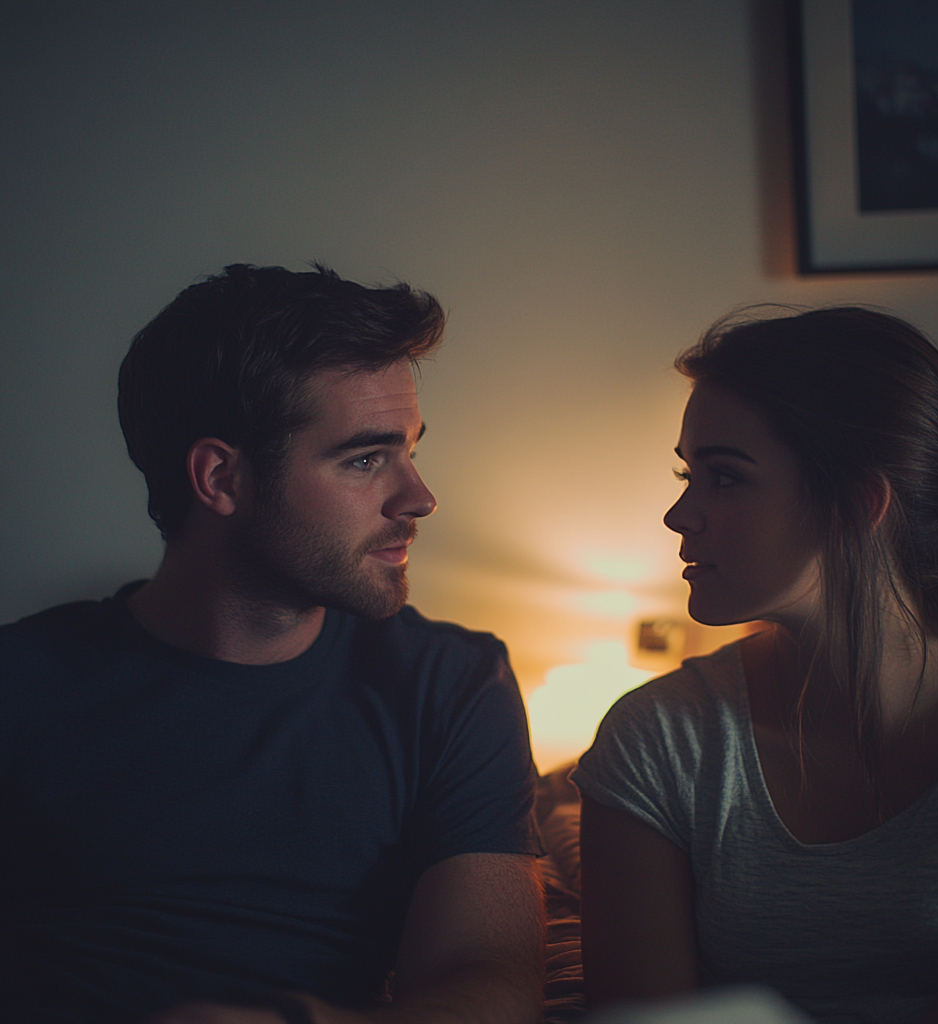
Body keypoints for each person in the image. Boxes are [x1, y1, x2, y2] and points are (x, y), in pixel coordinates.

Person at [0, 264, 545, 1024]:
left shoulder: (452, 683)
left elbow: (491, 984)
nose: (418, 498)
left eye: (411, 450)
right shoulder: (20, 681)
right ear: (221, 478)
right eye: (365, 459)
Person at [572, 307, 938, 1024]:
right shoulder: (659, 741)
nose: (678, 515)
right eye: (688, 474)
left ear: (857, 503)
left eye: (724, 477)